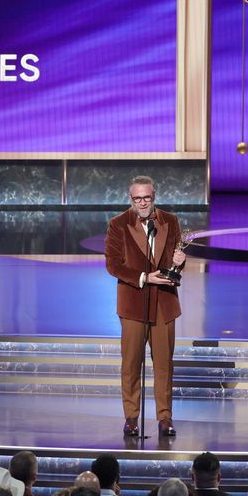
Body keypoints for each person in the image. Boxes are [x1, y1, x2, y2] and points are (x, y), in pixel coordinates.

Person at [104, 175, 186, 437]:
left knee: (164, 364)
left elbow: (174, 261)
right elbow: (113, 264)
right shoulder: (118, 224)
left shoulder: (169, 221)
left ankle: (165, 418)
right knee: (131, 364)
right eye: (137, 198)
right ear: (131, 198)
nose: (142, 202)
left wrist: (179, 261)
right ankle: (131, 417)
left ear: (154, 197)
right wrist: (144, 277)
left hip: (164, 303)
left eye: (146, 198)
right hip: (133, 303)